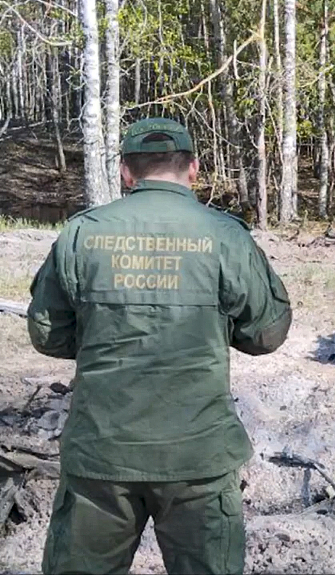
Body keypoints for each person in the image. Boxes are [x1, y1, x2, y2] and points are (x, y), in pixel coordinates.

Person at [27, 118, 292, 575]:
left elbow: (48, 333)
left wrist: (101, 337)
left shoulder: (81, 234)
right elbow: (267, 333)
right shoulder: (224, 236)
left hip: (101, 456)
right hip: (198, 458)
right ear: (193, 169)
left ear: (126, 173)